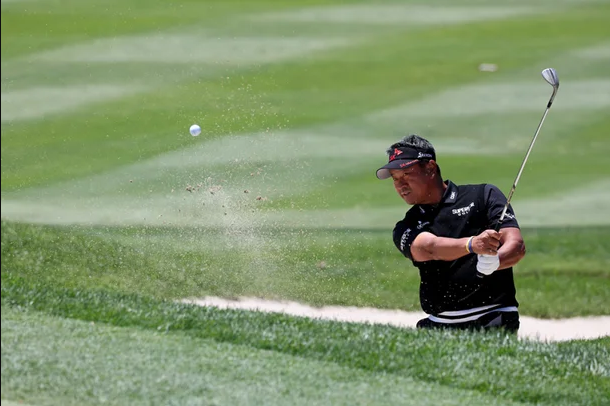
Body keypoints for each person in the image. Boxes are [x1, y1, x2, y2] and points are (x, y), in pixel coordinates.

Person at [376, 134, 526, 332]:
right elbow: (428, 248)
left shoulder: (483, 196)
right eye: (395, 179)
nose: (400, 185)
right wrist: (471, 244)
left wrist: (497, 261)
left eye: (406, 174)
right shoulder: (406, 225)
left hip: (493, 317)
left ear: (430, 168)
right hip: (439, 324)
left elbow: (516, 245)